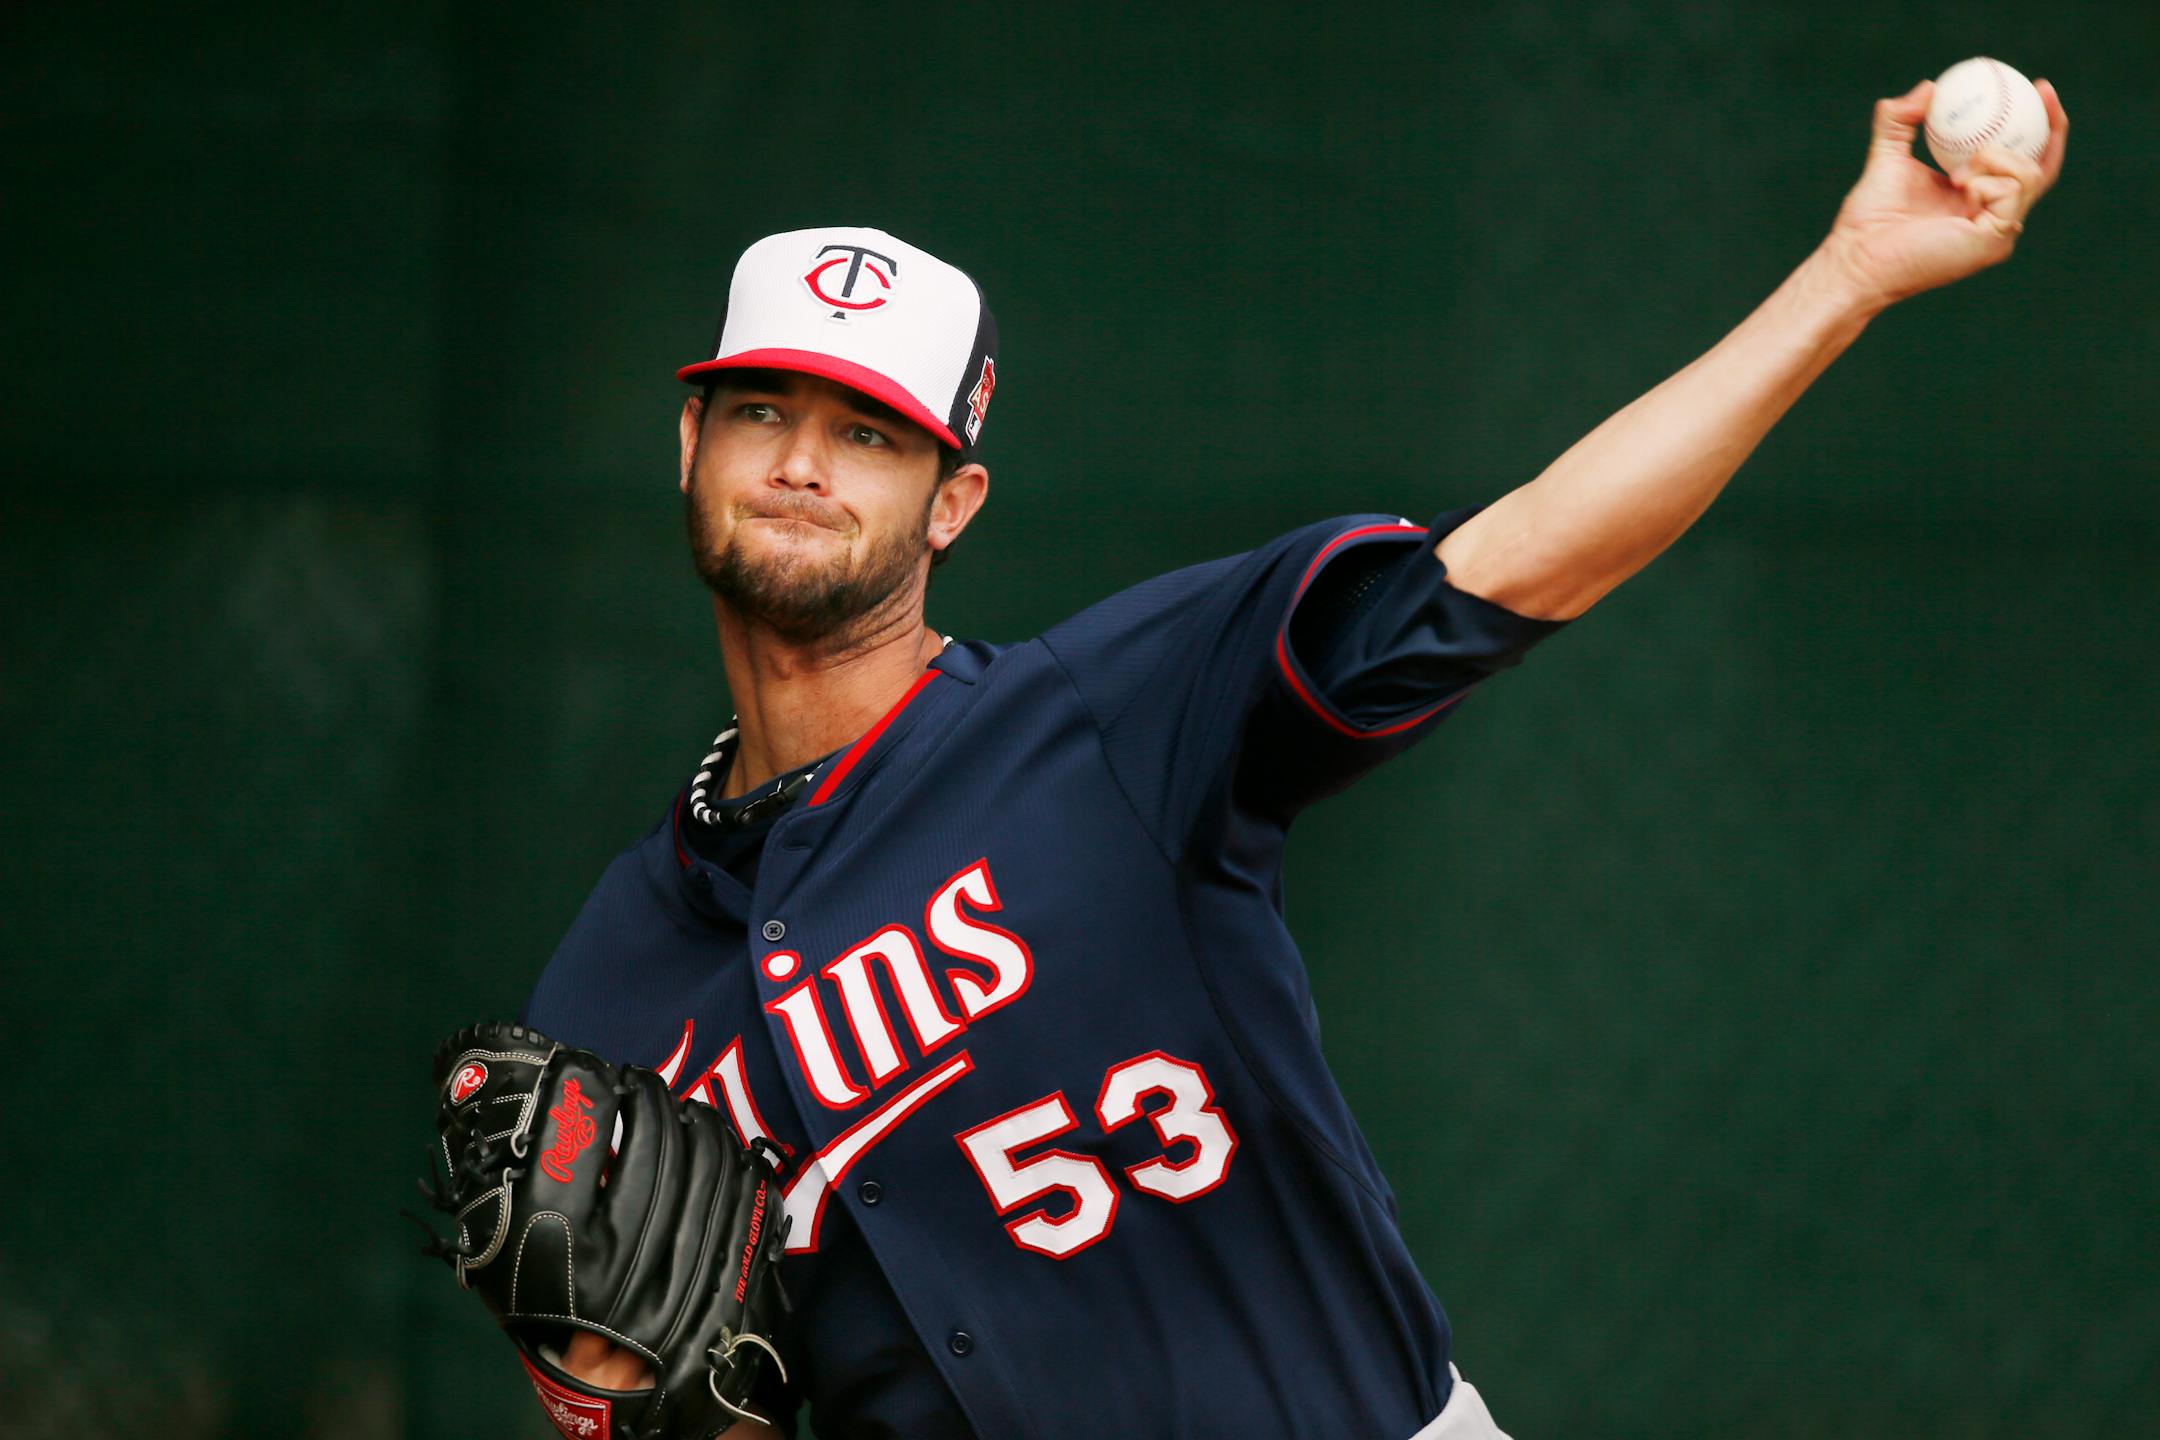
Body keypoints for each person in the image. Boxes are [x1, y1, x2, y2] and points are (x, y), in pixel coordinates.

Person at [516, 81, 2066, 1439]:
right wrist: (608, 1396)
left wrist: (1849, 276)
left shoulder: (1115, 723)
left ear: (953, 503)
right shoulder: (613, 984)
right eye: (762, 412)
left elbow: (1516, 559)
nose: (802, 463)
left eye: (868, 434)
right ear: (691, 449)